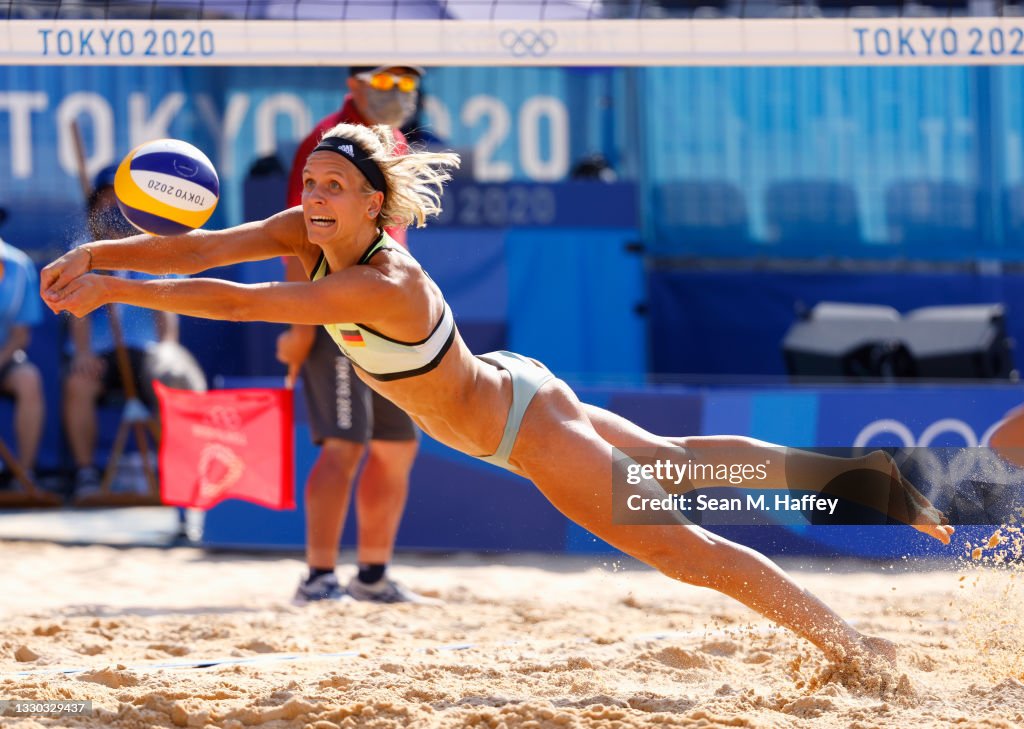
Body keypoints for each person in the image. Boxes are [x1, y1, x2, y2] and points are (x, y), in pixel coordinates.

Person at [40, 123, 955, 665]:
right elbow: (201, 250)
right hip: (518, 385)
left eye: (334, 187)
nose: (313, 197)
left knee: (690, 546)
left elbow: (246, 300)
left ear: (375, 207)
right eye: (310, 183)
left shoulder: (381, 281)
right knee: (677, 468)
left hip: (522, 428)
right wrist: (100, 253)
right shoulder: (312, 226)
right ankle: (869, 484)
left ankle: (857, 647)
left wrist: (118, 288)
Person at [278, 65, 427, 604]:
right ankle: (318, 577)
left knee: (395, 447)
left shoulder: (394, 143)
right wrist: (300, 324)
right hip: (335, 311)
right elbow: (299, 235)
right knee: (344, 444)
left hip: (390, 315)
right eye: (386, 81)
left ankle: (372, 576)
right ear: (355, 83)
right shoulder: (327, 142)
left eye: (407, 83)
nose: (399, 92)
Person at [62, 165, 189, 498]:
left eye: (118, 202)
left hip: (146, 352)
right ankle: (86, 475)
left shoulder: (157, 249)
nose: (111, 210)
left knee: (173, 380)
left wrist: (169, 350)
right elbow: (76, 314)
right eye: (103, 202)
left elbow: (169, 305)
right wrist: (83, 353)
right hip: (101, 354)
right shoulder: (83, 252)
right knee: (79, 383)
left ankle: (177, 474)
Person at [0, 235, 44, 488]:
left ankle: (24, 475)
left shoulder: (19, 264)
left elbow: (21, 335)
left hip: (5, 356)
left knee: (29, 380)